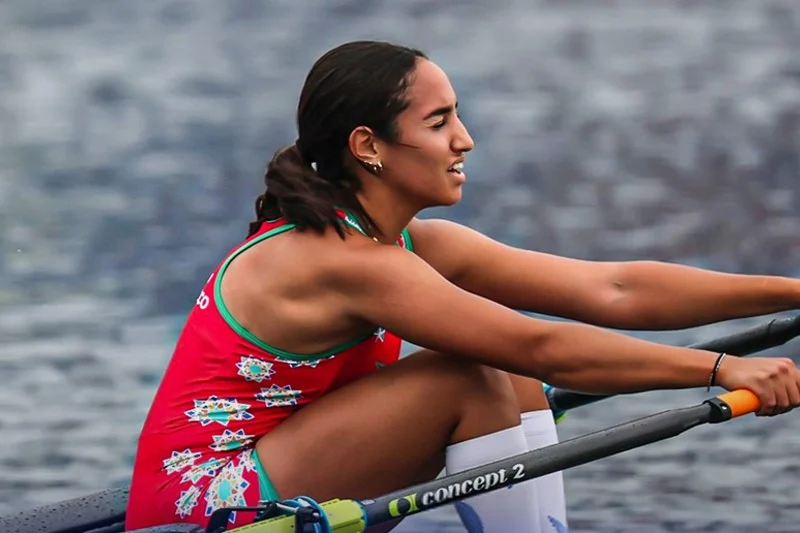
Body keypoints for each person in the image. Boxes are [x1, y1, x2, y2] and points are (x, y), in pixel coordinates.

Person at [125, 40, 800, 533]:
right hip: (198, 507)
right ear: (369, 146)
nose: (466, 140)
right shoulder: (338, 259)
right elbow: (543, 343)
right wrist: (718, 366)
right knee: (476, 374)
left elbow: (614, 288)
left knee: (513, 379)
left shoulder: (409, 245)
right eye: (440, 121)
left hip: (287, 474)